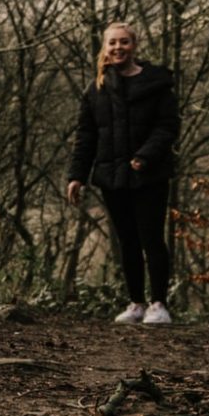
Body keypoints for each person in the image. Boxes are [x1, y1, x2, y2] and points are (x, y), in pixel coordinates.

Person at [66, 22, 179, 324]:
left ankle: (158, 304)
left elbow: (168, 127)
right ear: (105, 48)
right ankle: (136, 303)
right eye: (113, 43)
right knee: (126, 240)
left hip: (149, 175)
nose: (118, 48)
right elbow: (85, 136)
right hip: (111, 177)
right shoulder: (96, 89)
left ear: (134, 46)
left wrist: (145, 156)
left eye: (124, 42)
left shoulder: (157, 84)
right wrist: (76, 176)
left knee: (151, 238)